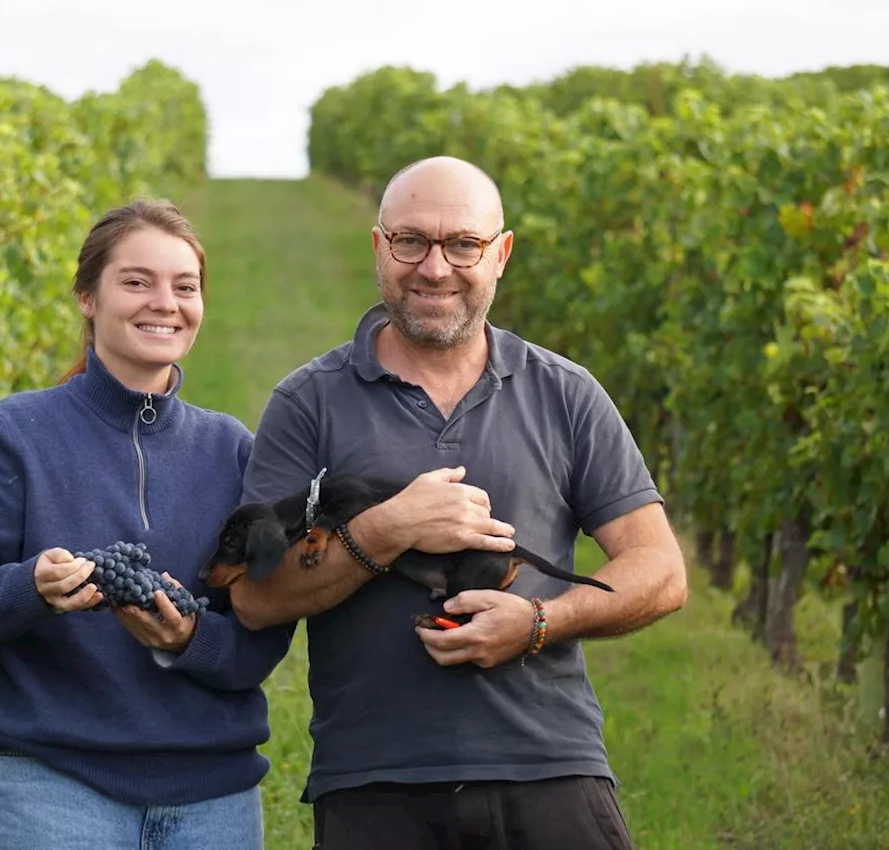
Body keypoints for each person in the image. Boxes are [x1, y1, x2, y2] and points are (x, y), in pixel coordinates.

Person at [230, 156, 688, 850]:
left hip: (550, 770)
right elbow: (256, 600)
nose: (435, 267)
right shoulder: (309, 401)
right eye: (410, 241)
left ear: (500, 255)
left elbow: (660, 570)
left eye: (463, 245)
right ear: (379, 249)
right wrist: (385, 529)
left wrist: (538, 621)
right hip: (375, 783)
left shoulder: (564, 392)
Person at [0, 199, 294, 850]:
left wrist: (189, 639)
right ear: (88, 297)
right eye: (137, 282)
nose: (165, 303)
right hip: (53, 791)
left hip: (214, 800)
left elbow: (263, 633)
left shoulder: (233, 450)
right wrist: (30, 588)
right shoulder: (14, 435)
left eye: (185, 286)